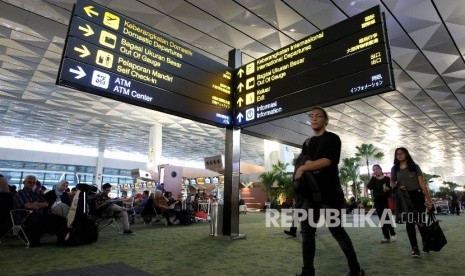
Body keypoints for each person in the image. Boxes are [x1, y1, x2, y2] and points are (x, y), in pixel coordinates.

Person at [293, 107, 364, 276]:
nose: (314, 118)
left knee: (337, 230)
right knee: (307, 234)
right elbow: (305, 161)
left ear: (326, 120)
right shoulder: (307, 143)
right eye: (311, 116)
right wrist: (307, 167)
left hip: (329, 194)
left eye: (318, 116)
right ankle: (307, 272)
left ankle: (355, 269)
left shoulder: (333, 138)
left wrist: (304, 167)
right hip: (309, 195)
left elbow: (326, 161)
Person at [390, 147, 433, 257]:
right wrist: (398, 186)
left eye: (401, 153)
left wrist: (429, 200)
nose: (399, 155)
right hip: (404, 198)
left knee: (421, 223)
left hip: (417, 196)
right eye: (397, 154)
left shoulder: (415, 166)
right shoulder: (395, 168)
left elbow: (422, 184)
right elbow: (392, 183)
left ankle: (425, 243)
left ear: (406, 154)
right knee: (409, 224)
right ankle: (415, 249)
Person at [16, 175, 66, 247]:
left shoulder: (35, 194)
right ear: (24, 182)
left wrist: (34, 204)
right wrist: (37, 205)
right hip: (26, 216)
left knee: (60, 219)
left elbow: (46, 204)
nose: (32, 184)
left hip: (40, 215)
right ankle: (34, 242)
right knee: (39, 220)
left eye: (33, 182)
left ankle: (62, 241)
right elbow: (27, 206)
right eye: (29, 182)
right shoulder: (20, 193)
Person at [367, 165, 396, 243]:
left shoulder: (387, 179)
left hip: (386, 200)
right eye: (374, 170)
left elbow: (390, 191)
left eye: (377, 169)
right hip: (377, 201)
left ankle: (393, 234)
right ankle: (386, 236)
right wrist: (373, 178)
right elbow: (369, 187)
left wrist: (388, 189)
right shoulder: (374, 180)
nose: (375, 171)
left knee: (387, 218)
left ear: (380, 169)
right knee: (382, 219)